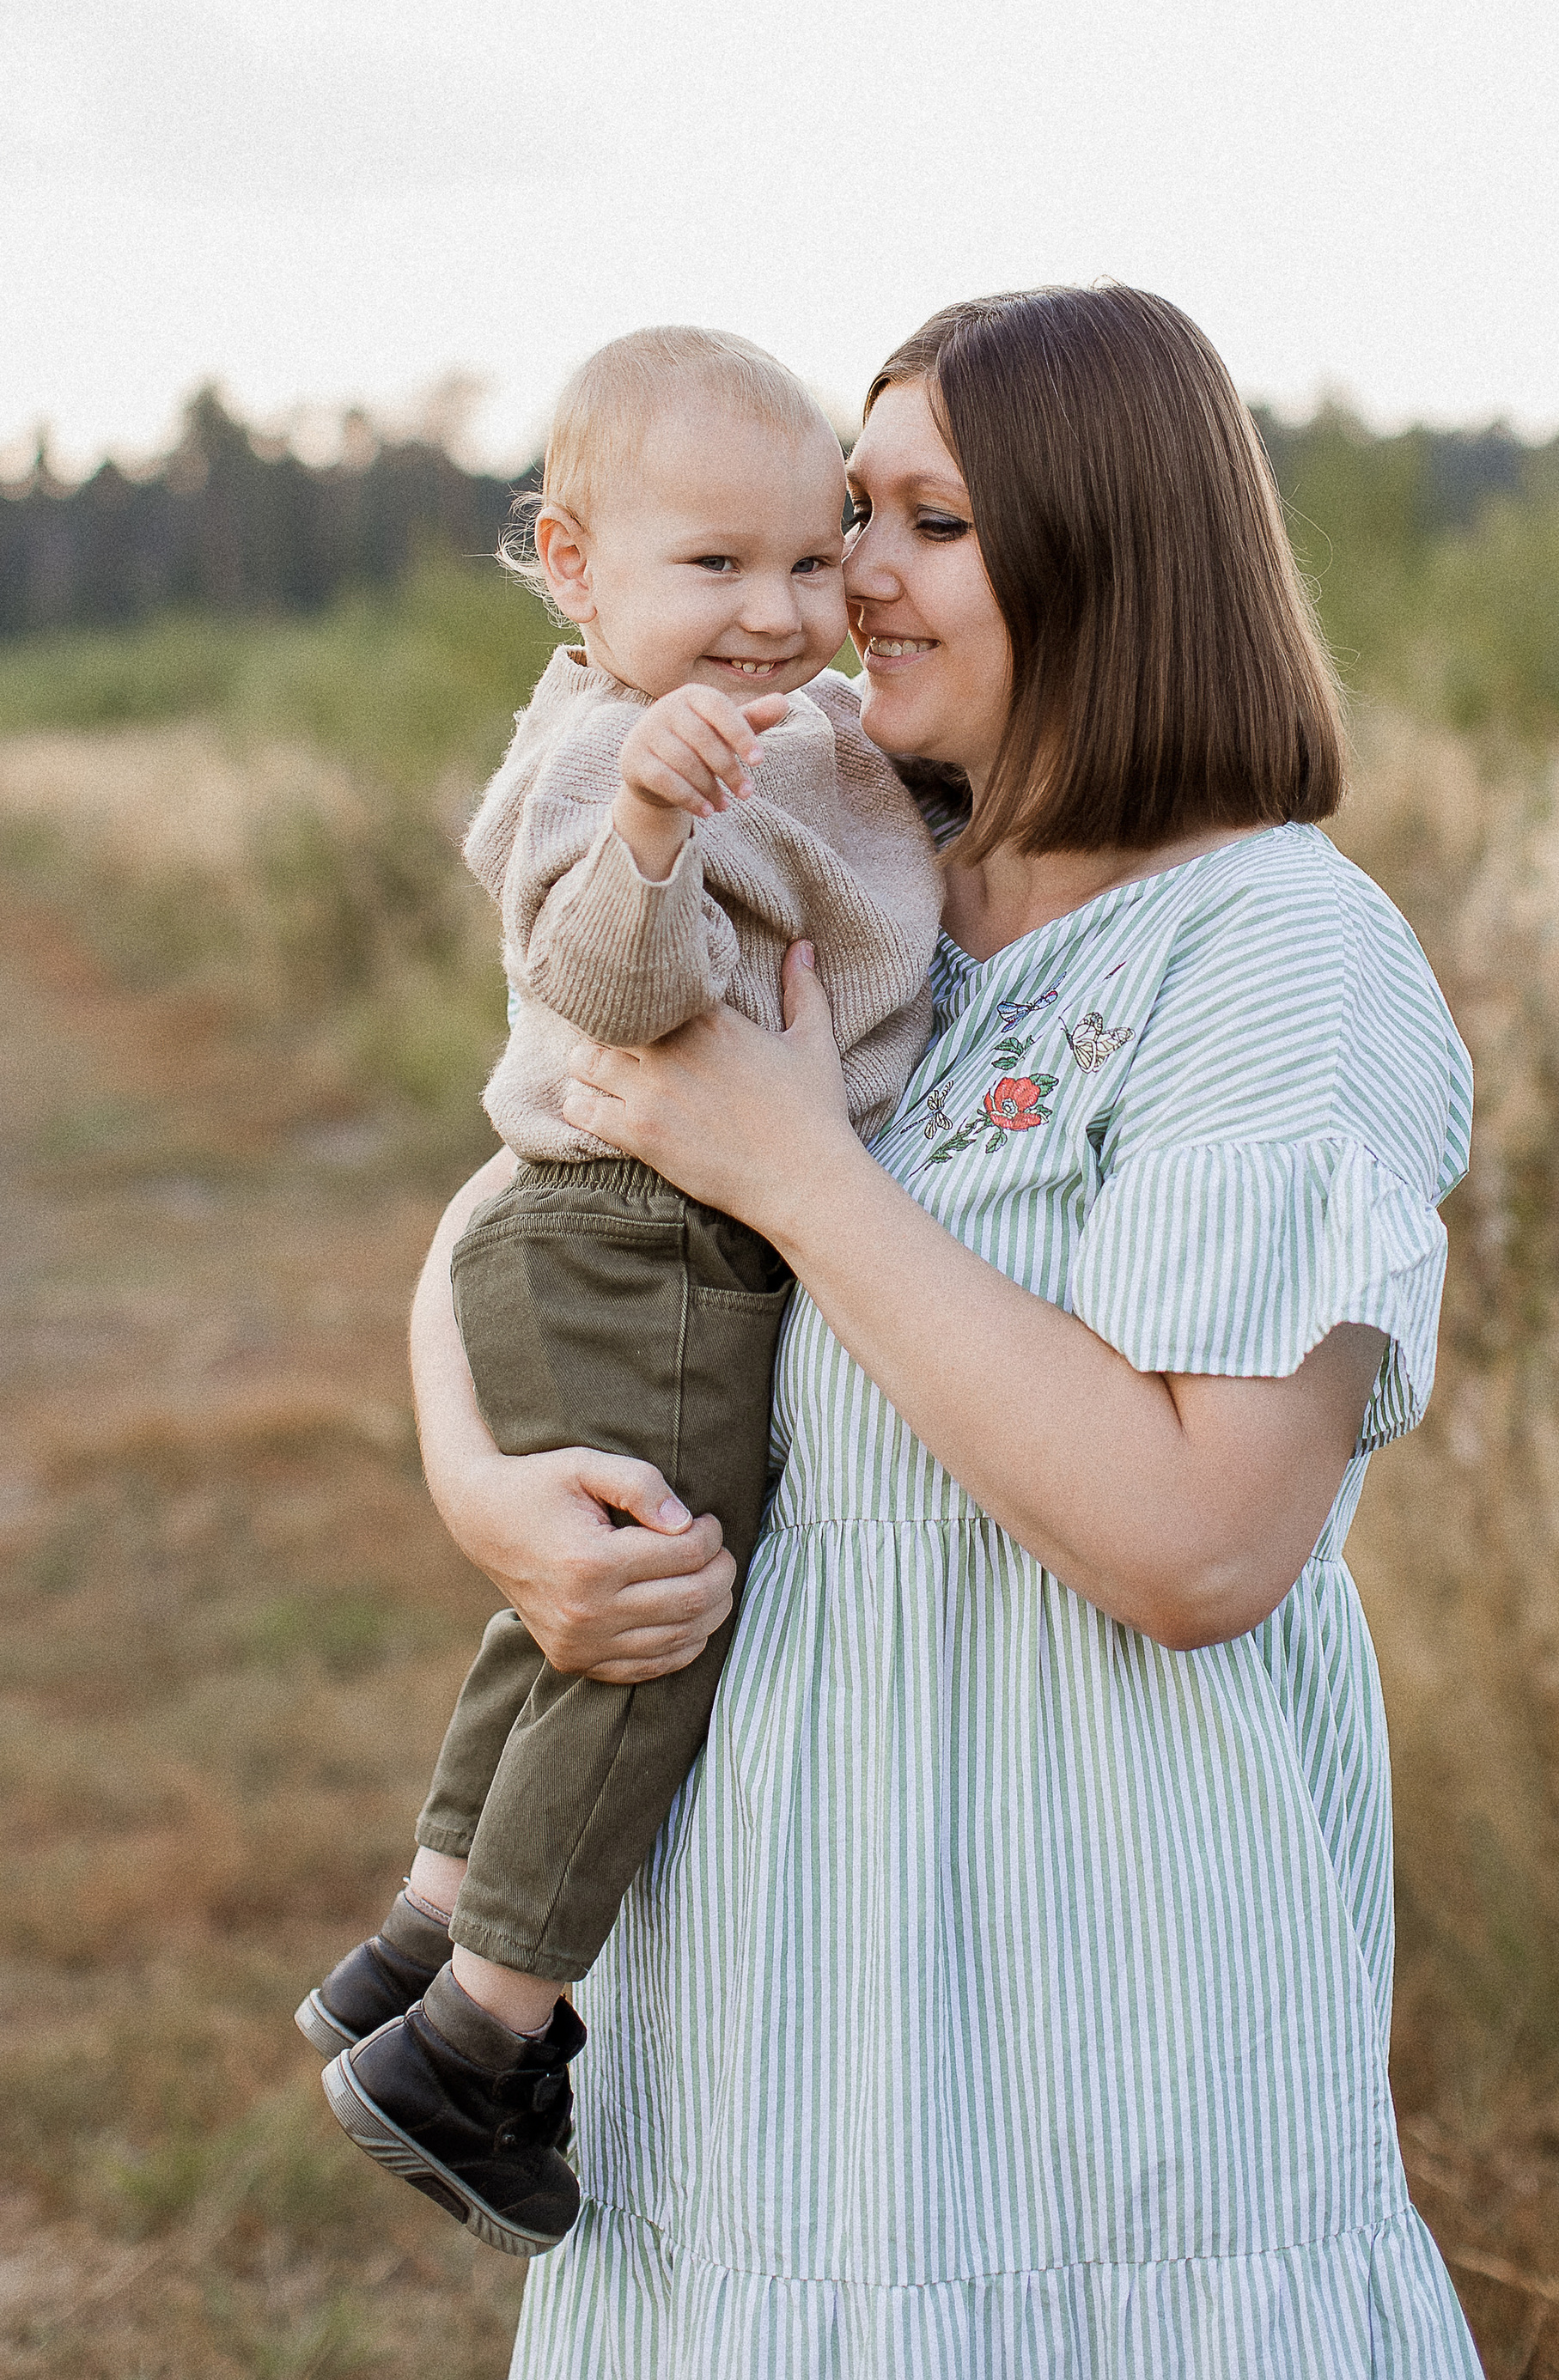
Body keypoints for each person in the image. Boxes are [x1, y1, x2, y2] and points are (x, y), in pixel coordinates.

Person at [411, 283, 1483, 2375]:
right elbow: (523, 1185)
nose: (845, 586)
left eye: (920, 525)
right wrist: (483, 1489)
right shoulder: (859, 884)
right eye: (840, 520)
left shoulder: (1270, 956)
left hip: (1098, 2072)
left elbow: (1201, 1544)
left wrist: (797, 1171)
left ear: (1105, 547)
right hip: (765, 2039)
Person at [299, 326, 941, 2256]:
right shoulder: (614, 750)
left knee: (593, 1579)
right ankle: (479, 2039)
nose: (772, 613)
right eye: (710, 568)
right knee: (657, 1607)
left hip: (597, 1230)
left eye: (806, 562)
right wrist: (658, 824)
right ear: (572, 566)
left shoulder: (784, 726)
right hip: (631, 1237)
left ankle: (422, 1929)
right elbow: (606, 986)